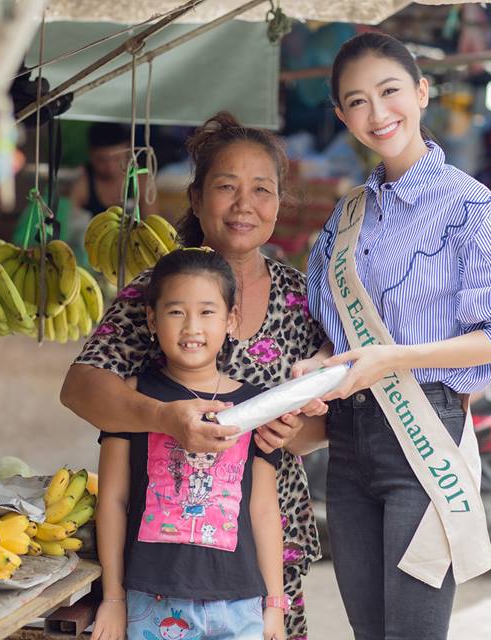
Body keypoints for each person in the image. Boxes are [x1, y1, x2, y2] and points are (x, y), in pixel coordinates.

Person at [304, 33, 491, 640]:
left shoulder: (467, 204)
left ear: (420, 93)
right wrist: (313, 366)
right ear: (342, 116)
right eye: (357, 101)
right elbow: (329, 325)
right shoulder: (349, 213)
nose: (377, 113)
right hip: (348, 444)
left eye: (390, 91)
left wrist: (395, 357)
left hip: (422, 438)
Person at [61, 112, 328, 640]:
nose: (244, 205)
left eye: (262, 190)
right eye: (226, 187)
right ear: (198, 197)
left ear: (279, 203)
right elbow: (81, 389)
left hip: (265, 545)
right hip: (165, 557)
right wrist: (163, 418)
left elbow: (325, 420)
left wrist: (293, 434)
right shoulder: (160, 289)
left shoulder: (302, 298)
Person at [91, 249, 286, 640]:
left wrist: (275, 606)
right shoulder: (136, 398)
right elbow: (112, 499)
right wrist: (113, 597)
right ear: (152, 318)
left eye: (207, 312)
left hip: (239, 601)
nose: (191, 327)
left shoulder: (256, 406)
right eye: (176, 311)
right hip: (153, 598)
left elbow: (264, 510)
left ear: (231, 320)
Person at [69, 122, 158, 217]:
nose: (110, 167)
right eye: (101, 160)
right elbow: (68, 220)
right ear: (91, 155)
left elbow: (152, 221)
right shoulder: (82, 183)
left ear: (128, 152)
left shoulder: (141, 181)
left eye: (116, 159)